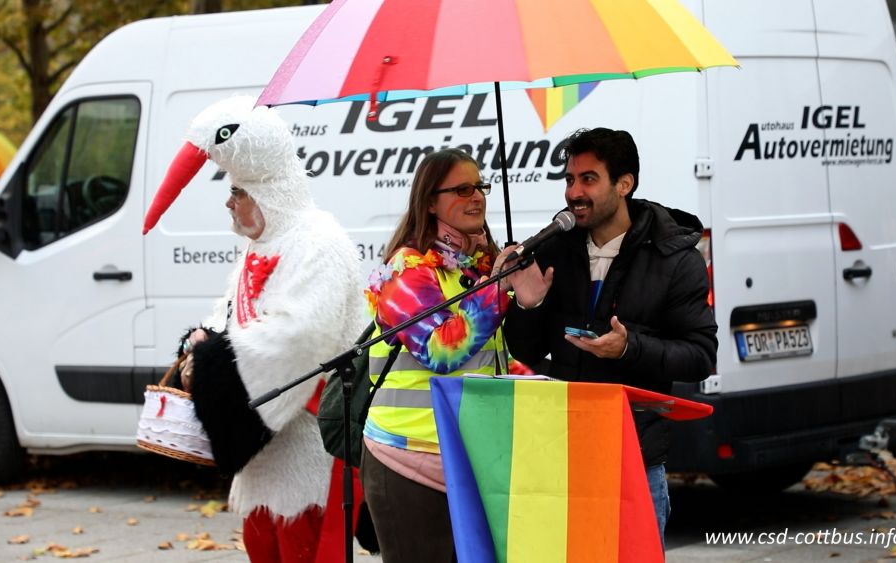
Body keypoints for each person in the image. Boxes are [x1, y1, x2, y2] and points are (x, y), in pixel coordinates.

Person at [142, 95, 365, 562]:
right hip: (265, 453)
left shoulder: (318, 242)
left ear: (268, 194)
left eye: (238, 192)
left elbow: (302, 336)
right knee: (264, 548)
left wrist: (213, 364)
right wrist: (198, 343)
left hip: (308, 446)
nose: (229, 202)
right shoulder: (261, 245)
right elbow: (229, 313)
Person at [503, 127, 718, 546]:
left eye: (588, 179)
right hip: (563, 455)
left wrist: (629, 348)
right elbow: (527, 349)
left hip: (634, 459)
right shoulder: (555, 249)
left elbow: (700, 356)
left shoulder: (673, 257)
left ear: (624, 184)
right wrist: (528, 305)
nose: (574, 192)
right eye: (569, 179)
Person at [360, 148, 515, 563]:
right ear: (430, 202)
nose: (476, 196)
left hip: (467, 457)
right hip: (408, 458)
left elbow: (492, 357)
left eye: (480, 186)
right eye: (461, 189)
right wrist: (498, 289)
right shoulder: (407, 269)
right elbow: (439, 350)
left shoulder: (472, 266)